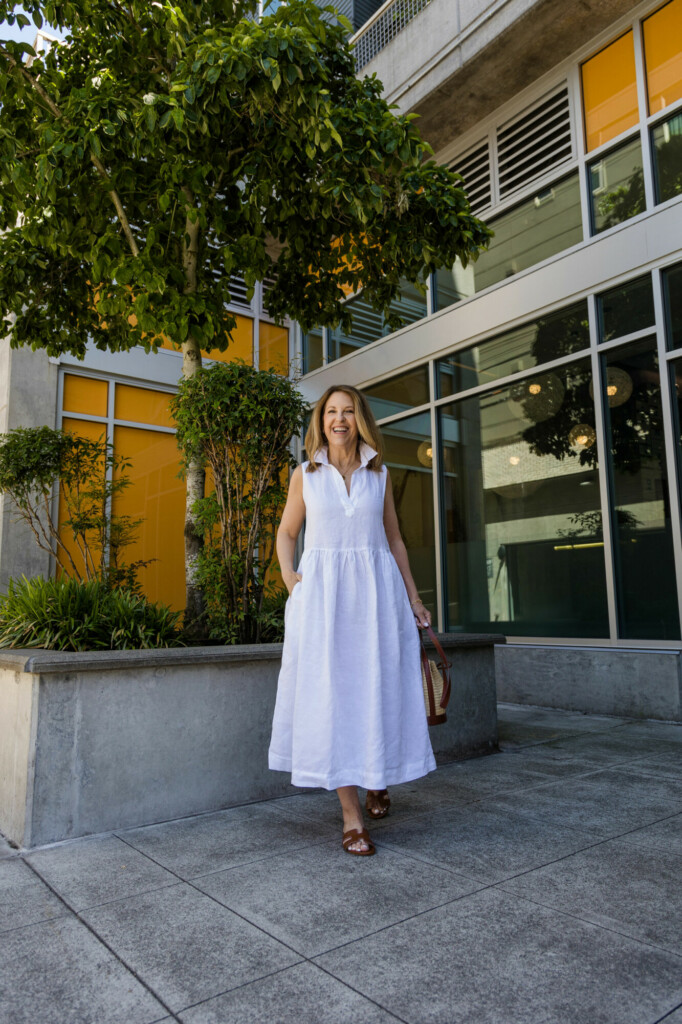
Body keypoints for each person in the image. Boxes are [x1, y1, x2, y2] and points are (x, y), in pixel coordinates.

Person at [268, 385, 435, 856]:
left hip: (377, 598)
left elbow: (396, 540)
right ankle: (351, 816)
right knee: (334, 698)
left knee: (377, 690)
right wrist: (290, 579)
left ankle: (376, 779)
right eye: (330, 412)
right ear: (320, 421)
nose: (339, 420)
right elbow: (286, 532)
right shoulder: (306, 474)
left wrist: (414, 599)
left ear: (360, 418)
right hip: (322, 600)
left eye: (348, 411)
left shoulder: (379, 474)